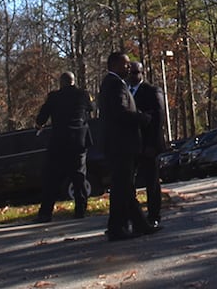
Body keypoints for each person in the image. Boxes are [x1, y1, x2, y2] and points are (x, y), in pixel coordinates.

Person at [99, 50, 154, 241]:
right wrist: (142, 118)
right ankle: (116, 229)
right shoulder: (114, 85)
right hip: (121, 145)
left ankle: (140, 224)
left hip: (120, 145)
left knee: (125, 188)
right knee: (122, 188)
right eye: (125, 64)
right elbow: (121, 112)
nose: (128, 67)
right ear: (114, 65)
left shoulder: (115, 84)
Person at [33, 71, 93, 222]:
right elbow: (90, 109)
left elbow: (42, 118)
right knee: (79, 177)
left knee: (51, 178)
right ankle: (80, 210)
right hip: (78, 141)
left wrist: (39, 125)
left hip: (59, 141)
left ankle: (46, 213)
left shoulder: (54, 97)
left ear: (61, 83)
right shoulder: (83, 95)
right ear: (73, 81)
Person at [127, 60, 165, 229]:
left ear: (142, 73)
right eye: (130, 72)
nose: (133, 76)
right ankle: (134, 217)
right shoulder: (125, 92)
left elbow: (158, 119)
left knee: (152, 182)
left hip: (148, 144)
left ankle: (154, 215)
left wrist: (153, 145)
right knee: (129, 182)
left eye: (136, 72)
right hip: (131, 146)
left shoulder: (152, 91)